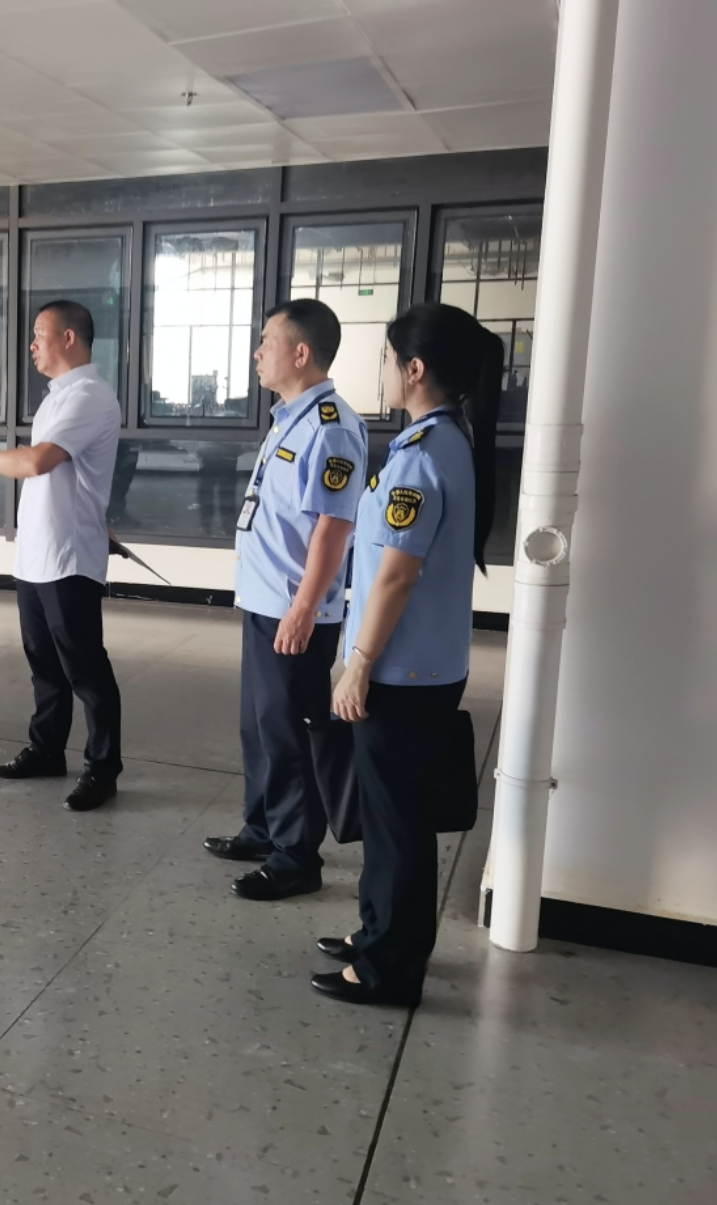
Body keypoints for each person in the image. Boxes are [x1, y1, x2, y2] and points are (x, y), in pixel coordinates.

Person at [314, 302, 502, 1005]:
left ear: (414, 369)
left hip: (399, 671)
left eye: (388, 359)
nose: (384, 371)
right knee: (395, 814)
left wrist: (358, 663)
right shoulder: (445, 440)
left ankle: (389, 967)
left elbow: (396, 573)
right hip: (425, 664)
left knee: (397, 824)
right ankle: (379, 933)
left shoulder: (421, 456)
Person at [203, 300, 369, 900]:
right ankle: (263, 829)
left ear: (300, 353)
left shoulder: (331, 426)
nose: (257, 353)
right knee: (259, 727)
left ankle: (297, 856)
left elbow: (333, 527)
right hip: (264, 601)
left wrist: (303, 608)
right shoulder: (289, 419)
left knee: (289, 735)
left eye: (267, 341)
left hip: (294, 611)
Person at [0, 300, 122, 812]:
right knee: (43, 664)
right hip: (37, 556)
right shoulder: (59, 397)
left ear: (68, 338)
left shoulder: (89, 396)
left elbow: (37, 462)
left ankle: (103, 768)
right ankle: (47, 749)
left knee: (84, 668)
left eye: (39, 334)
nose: (32, 345)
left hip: (67, 558)